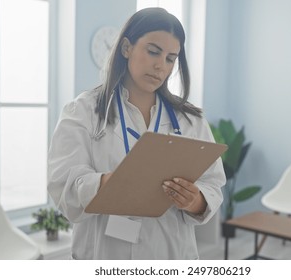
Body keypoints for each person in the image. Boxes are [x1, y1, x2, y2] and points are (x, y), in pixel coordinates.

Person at [48, 7, 226, 259]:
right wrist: (109, 184)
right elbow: (62, 185)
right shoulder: (83, 111)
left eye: (170, 58)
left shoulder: (191, 121)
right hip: (105, 254)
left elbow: (213, 184)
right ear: (126, 48)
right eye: (153, 51)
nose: (160, 66)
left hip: (171, 254)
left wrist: (194, 200)